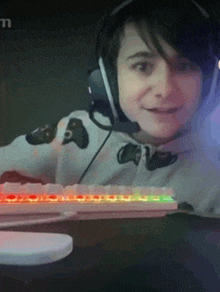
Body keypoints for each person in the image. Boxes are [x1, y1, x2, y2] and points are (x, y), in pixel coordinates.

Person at [0, 1, 220, 291]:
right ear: (108, 79)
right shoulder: (70, 135)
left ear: (209, 81)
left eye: (185, 66)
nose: (165, 88)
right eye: (142, 65)